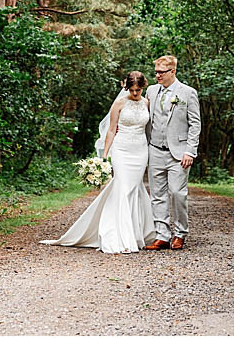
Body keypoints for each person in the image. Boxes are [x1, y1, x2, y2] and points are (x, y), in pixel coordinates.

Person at [40, 72, 156, 254]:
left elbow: (149, 129)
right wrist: (105, 156)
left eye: (138, 90)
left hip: (140, 151)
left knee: (135, 189)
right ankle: (119, 237)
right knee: (122, 188)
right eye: (132, 90)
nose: (135, 94)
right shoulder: (119, 103)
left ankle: (135, 234)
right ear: (126, 88)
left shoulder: (147, 103)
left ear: (143, 87)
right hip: (122, 150)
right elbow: (111, 131)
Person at [143, 55, 201, 251]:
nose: (157, 75)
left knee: (177, 193)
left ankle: (180, 234)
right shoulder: (151, 91)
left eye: (161, 72)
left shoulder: (188, 93)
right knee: (157, 194)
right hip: (155, 150)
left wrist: (190, 151)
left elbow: (195, 124)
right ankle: (162, 235)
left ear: (173, 72)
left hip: (178, 153)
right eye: (156, 72)